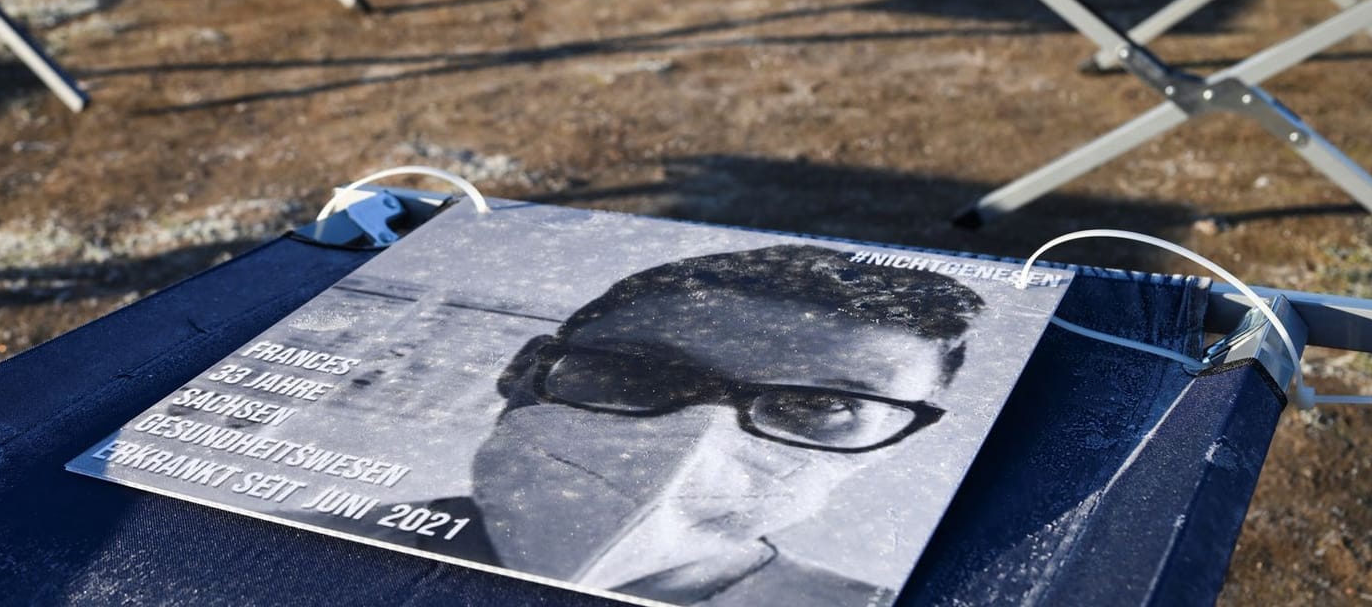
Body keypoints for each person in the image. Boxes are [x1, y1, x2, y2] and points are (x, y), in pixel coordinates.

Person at [368, 243, 986, 605]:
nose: (696, 440)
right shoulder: (294, 534)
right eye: (636, 371)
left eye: (821, 405)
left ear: (891, 444)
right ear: (525, 369)